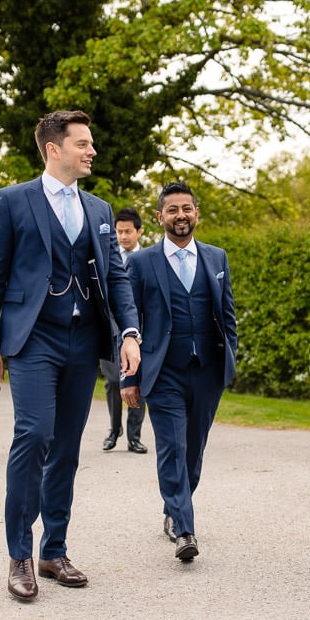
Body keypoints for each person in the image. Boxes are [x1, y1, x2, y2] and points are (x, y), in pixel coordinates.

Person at [0, 109, 142, 602]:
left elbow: (116, 276)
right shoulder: (12, 202)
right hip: (32, 340)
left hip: (83, 339)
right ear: (54, 149)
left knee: (67, 448)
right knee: (34, 435)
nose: (91, 151)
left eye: (91, 144)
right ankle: (19, 555)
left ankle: (54, 550)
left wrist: (128, 332)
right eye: (82, 143)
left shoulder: (99, 209)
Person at [121, 182, 237, 562]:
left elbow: (228, 316)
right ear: (159, 217)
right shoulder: (140, 263)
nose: (181, 216)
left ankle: (173, 509)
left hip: (206, 370)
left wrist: (229, 359)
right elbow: (126, 322)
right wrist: (129, 377)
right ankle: (185, 529)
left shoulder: (217, 258)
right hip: (163, 371)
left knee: (193, 451)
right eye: (172, 210)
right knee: (172, 446)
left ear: (196, 213)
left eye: (186, 208)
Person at [100, 207, 148, 454]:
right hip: (110, 330)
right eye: (119, 232)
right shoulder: (108, 258)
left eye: (128, 231)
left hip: (139, 332)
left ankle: (134, 436)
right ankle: (113, 429)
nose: (123, 236)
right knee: (112, 382)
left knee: (138, 382)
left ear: (139, 232)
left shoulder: (149, 259)